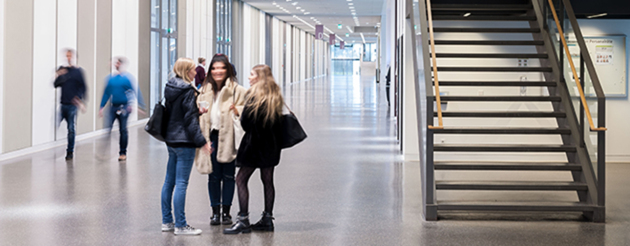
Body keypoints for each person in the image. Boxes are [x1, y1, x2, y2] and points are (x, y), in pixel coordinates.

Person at [224, 64, 284, 234]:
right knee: (267, 181)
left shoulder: (253, 95)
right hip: (271, 146)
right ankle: (267, 219)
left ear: (259, 77)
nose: (249, 77)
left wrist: (240, 114)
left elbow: (246, 123)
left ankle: (243, 219)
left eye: (252, 74)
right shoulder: (275, 94)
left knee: (241, 179)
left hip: (254, 146)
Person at [161, 57, 212, 236]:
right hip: (184, 142)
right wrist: (202, 141)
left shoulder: (171, 86)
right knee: (181, 183)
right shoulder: (187, 90)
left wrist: (196, 111)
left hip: (171, 139)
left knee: (169, 181)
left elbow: (178, 113)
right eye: (192, 70)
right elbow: (190, 121)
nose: (195, 73)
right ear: (186, 71)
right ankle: (181, 225)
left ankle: (167, 221)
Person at [196, 53, 247, 226]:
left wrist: (237, 109)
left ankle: (226, 212)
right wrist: (203, 140)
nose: (218, 71)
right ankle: (215, 212)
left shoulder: (237, 90)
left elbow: (246, 110)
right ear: (210, 70)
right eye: (214, 68)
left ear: (228, 70)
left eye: (222, 68)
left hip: (230, 136)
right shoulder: (204, 90)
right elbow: (199, 115)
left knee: (229, 176)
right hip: (212, 137)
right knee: (213, 176)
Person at [98, 57, 146, 161]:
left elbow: (134, 91)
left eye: (118, 63)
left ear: (122, 64)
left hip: (124, 107)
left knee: (123, 130)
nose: (116, 64)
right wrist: (101, 107)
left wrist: (140, 105)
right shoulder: (110, 79)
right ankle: (104, 151)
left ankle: (123, 152)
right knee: (108, 128)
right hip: (112, 107)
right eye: (116, 63)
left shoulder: (127, 78)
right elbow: (106, 93)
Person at [54, 49, 87, 161]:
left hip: (72, 105)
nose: (68, 58)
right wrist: (58, 75)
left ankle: (70, 152)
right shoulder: (63, 70)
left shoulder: (78, 71)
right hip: (63, 104)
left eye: (70, 56)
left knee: (71, 129)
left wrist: (80, 99)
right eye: (66, 56)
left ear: (74, 57)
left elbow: (83, 86)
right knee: (56, 123)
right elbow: (55, 84)